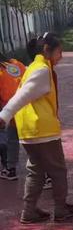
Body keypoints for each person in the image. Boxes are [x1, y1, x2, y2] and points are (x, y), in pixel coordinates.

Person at [0, 33, 73, 224]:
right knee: (58, 170)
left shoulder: (33, 67)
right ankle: (60, 208)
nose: (61, 56)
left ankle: (29, 210)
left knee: (36, 170)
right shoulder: (42, 70)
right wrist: (4, 115)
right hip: (42, 129)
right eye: (59, 52)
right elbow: (23, 95)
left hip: (28, 129)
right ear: (47, 50)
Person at [0, 53, 26, 181]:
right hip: (28, 109)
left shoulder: (0, 71)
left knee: (12, 140)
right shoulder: (17, 64)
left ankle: (11, 170)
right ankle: (47, 174)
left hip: (11, 112)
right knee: (34, 143)